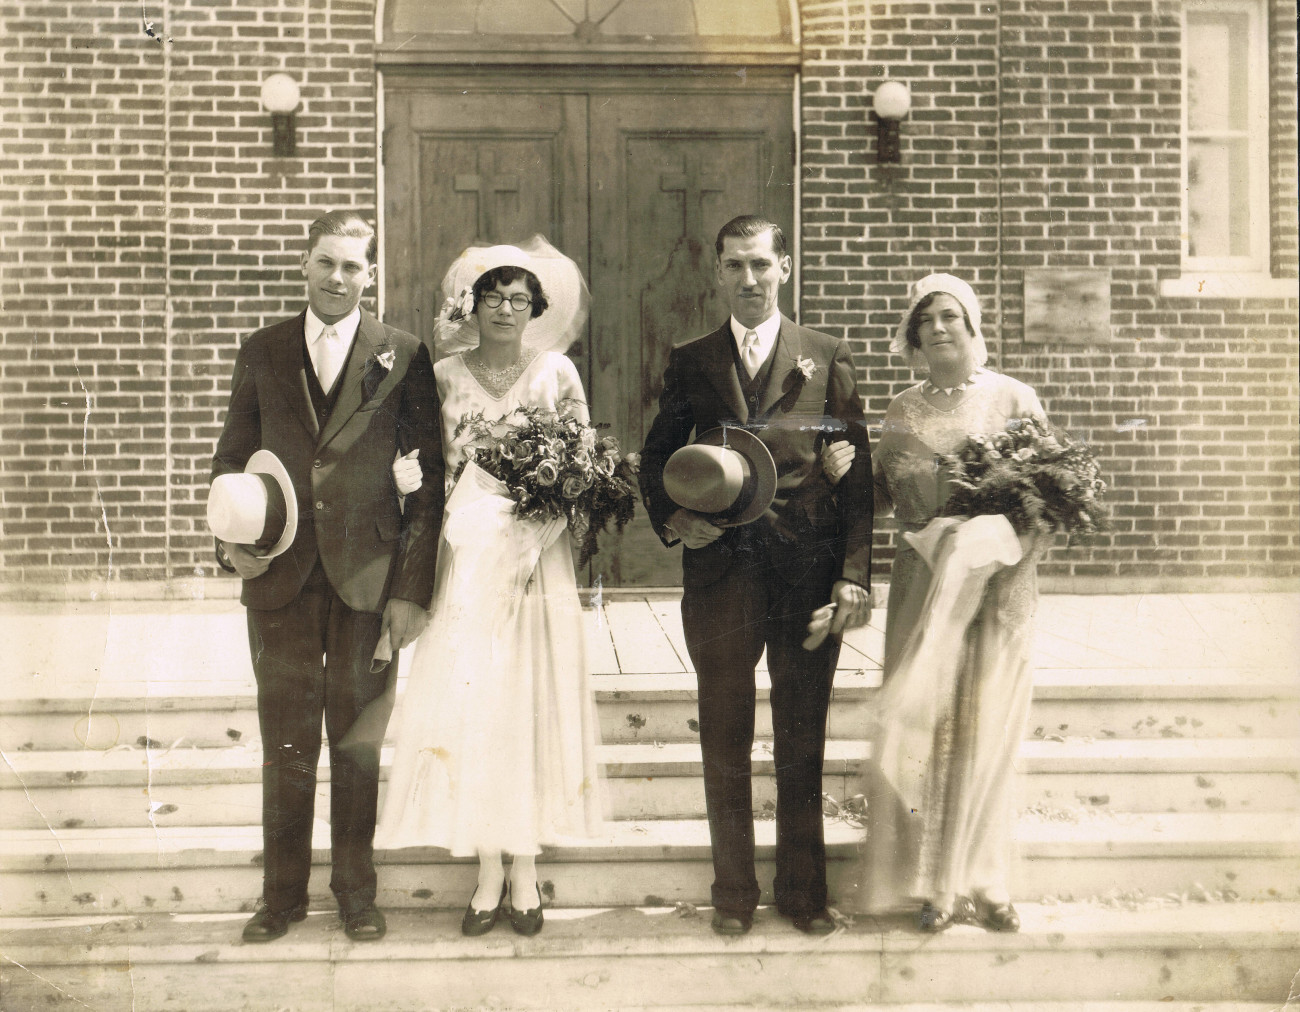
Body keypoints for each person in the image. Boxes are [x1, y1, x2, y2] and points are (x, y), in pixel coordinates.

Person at [211, 210, 446, 943]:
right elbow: (231, 458)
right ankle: (280, 897)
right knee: (286, 742)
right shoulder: (262, 351)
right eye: (325, 263)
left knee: (355, 744)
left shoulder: (404, 355)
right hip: (279, 578)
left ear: (371, 275)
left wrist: (410, 592)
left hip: (367, 582)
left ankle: (355, 892)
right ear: (304, 267)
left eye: (352, 266)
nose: (337, 277)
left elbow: (429, 484)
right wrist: (232, 547)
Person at [639, 215, 874, 937]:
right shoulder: (691, 358)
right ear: (717, 272)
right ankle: (733, 893)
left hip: (806, 576)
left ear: (785, 268)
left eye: (761, 265)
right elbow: (653, 460)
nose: (749, 279)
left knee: (802, 737)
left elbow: (857, 474)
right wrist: (674, 520)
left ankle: (804, 894)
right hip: (720, 577)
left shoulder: (825, 355)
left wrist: (853, 576)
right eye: (735, 266)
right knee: (724, 735)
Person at [375, 237, 602, 938]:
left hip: (535, 565)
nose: (505, 308)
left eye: (519, 297)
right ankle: (485, 866)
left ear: (536, 308)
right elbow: (428, 465)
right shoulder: (442, 375)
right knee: (474, 707)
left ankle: (526, 863)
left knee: (527, 703)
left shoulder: (555, 370)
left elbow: (582, 464)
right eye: (492, 295)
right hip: (466, 563)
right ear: (470, 304)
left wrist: (535, 530)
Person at [837, 272, 1049, 934]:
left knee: (981, 734)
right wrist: (844, 470)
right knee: (920, 735)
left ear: (973, 323)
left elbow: (1049, 500)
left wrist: (1003, 557)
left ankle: (986, 883)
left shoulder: (1015, 398)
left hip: (991, 593)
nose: (936, 327)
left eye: (949, 315)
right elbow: (880, 497)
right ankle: (930, 887)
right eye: (925, 318)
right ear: (912, 333)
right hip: (919, 589)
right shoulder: (901, 409)